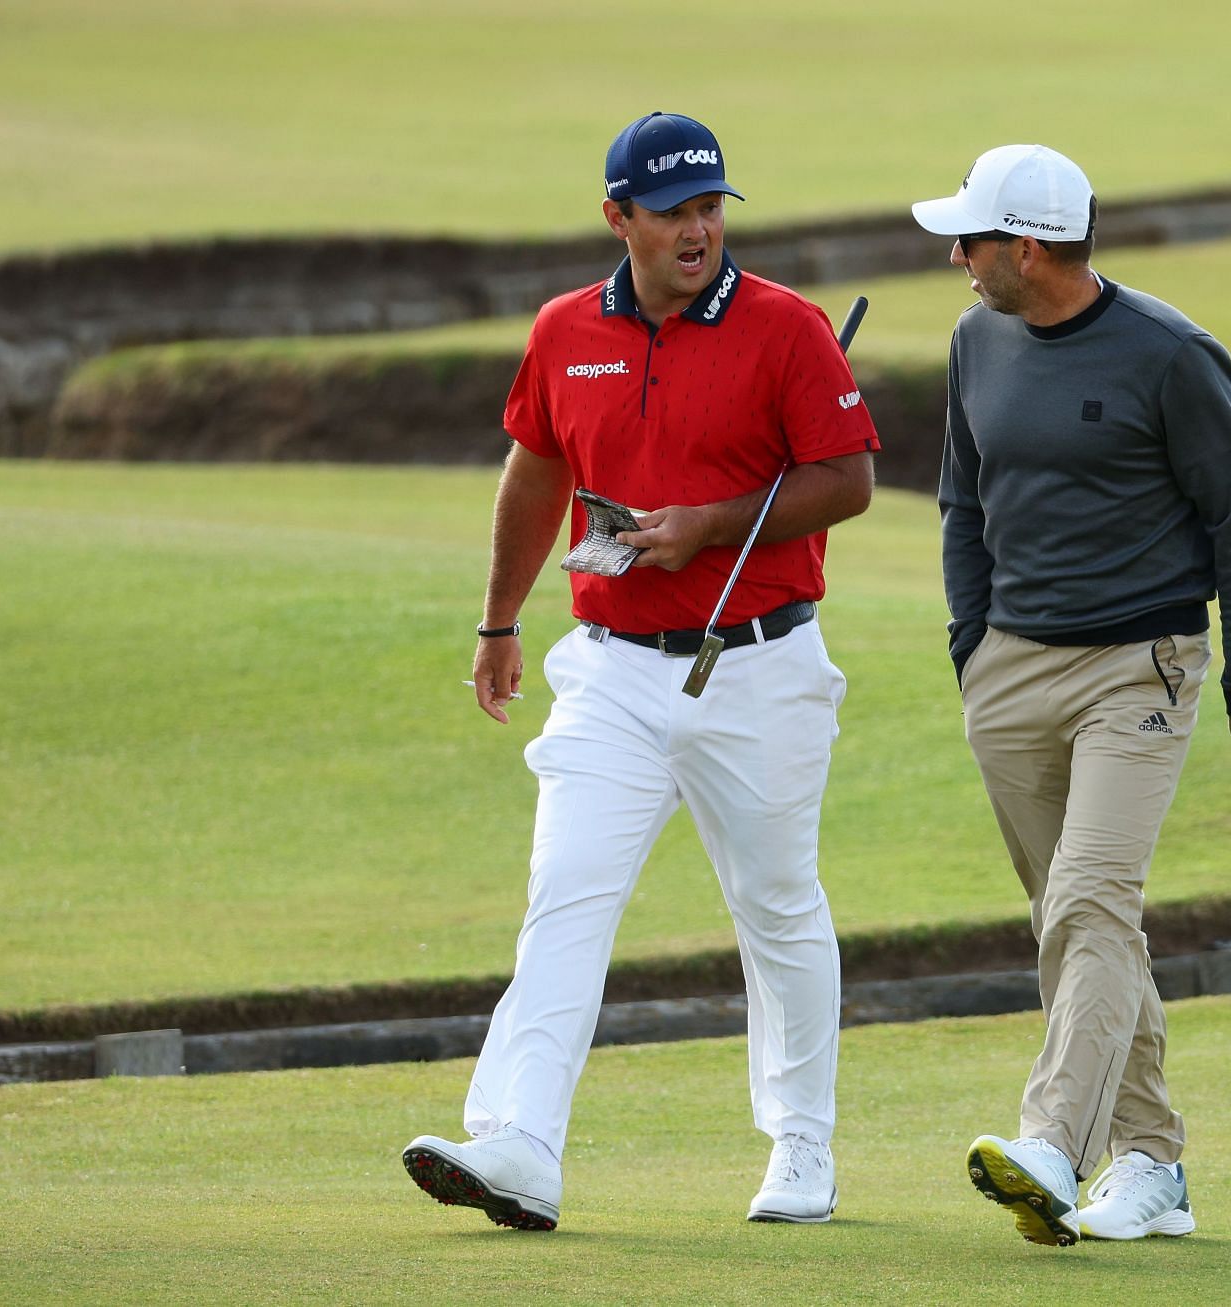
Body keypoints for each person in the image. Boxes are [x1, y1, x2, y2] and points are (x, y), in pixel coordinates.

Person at [403, 111, 879, 1233]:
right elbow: (535, 473)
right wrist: (497, 619)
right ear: (619, 218)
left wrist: (709, 526)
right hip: (612, 670)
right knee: (565, 897)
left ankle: (802, 1141)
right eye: (673, 212)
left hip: (758, 663)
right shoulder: (567, 330)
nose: (699, 229)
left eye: (712, 206)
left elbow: (849, 477)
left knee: (775, 904)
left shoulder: (787, 327)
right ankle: (522, 1143)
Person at [910, 144, 1231, 1247]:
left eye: (972, 239)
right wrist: (971, 649)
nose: (956, 256)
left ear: (1027, 247)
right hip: (1010, 668)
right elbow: (959, 501)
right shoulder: (975, 338)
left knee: (1087, 900)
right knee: (1081, 919)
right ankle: (1155, 1159)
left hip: (1143, 667)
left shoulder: (1170, 355)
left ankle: (1051, 1144)